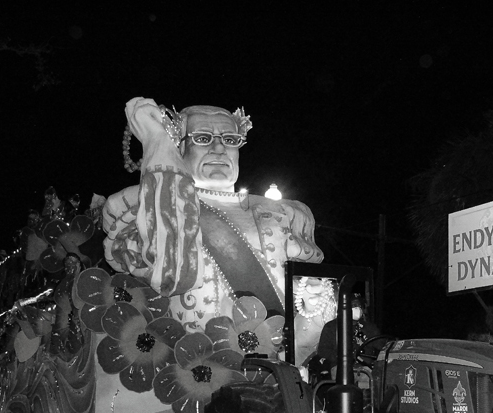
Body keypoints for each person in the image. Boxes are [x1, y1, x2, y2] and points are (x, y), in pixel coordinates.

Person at [104, 98, 329, 365]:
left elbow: (310, 329)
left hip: (272, 379)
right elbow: (174, 274)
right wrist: (157, 141)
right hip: (186, 377)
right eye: (202, 138)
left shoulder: (286, 216)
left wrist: (316, 309)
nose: (219, 148)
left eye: (231, 139)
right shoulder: (141, 208)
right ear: (179, 146)